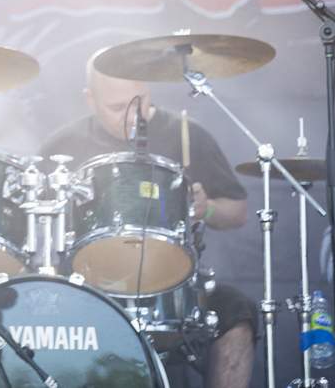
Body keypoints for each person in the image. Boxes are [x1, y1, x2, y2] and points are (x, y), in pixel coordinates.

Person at [40, 51, 256, 388]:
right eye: (116, 107)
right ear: (90, 100)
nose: (132, 115)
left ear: (148, 90)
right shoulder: (62, 147)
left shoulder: (187, 134)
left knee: (237, 313)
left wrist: (208, 208)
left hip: (174, 289)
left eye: (139, 101)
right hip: (88, 288)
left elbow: (238, 211)